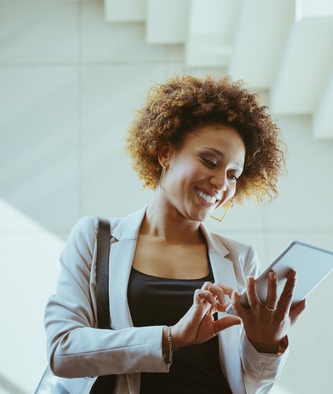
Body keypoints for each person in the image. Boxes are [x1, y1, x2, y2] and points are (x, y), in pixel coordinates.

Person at [44, 74, 307, 394]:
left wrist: (265, 345)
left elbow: (250, 386)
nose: (221, 184)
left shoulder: (240, 258)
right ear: (165, 152)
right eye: (210, 161)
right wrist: (170, 339)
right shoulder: (96, 239)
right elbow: (63, 350)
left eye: (233, 175)